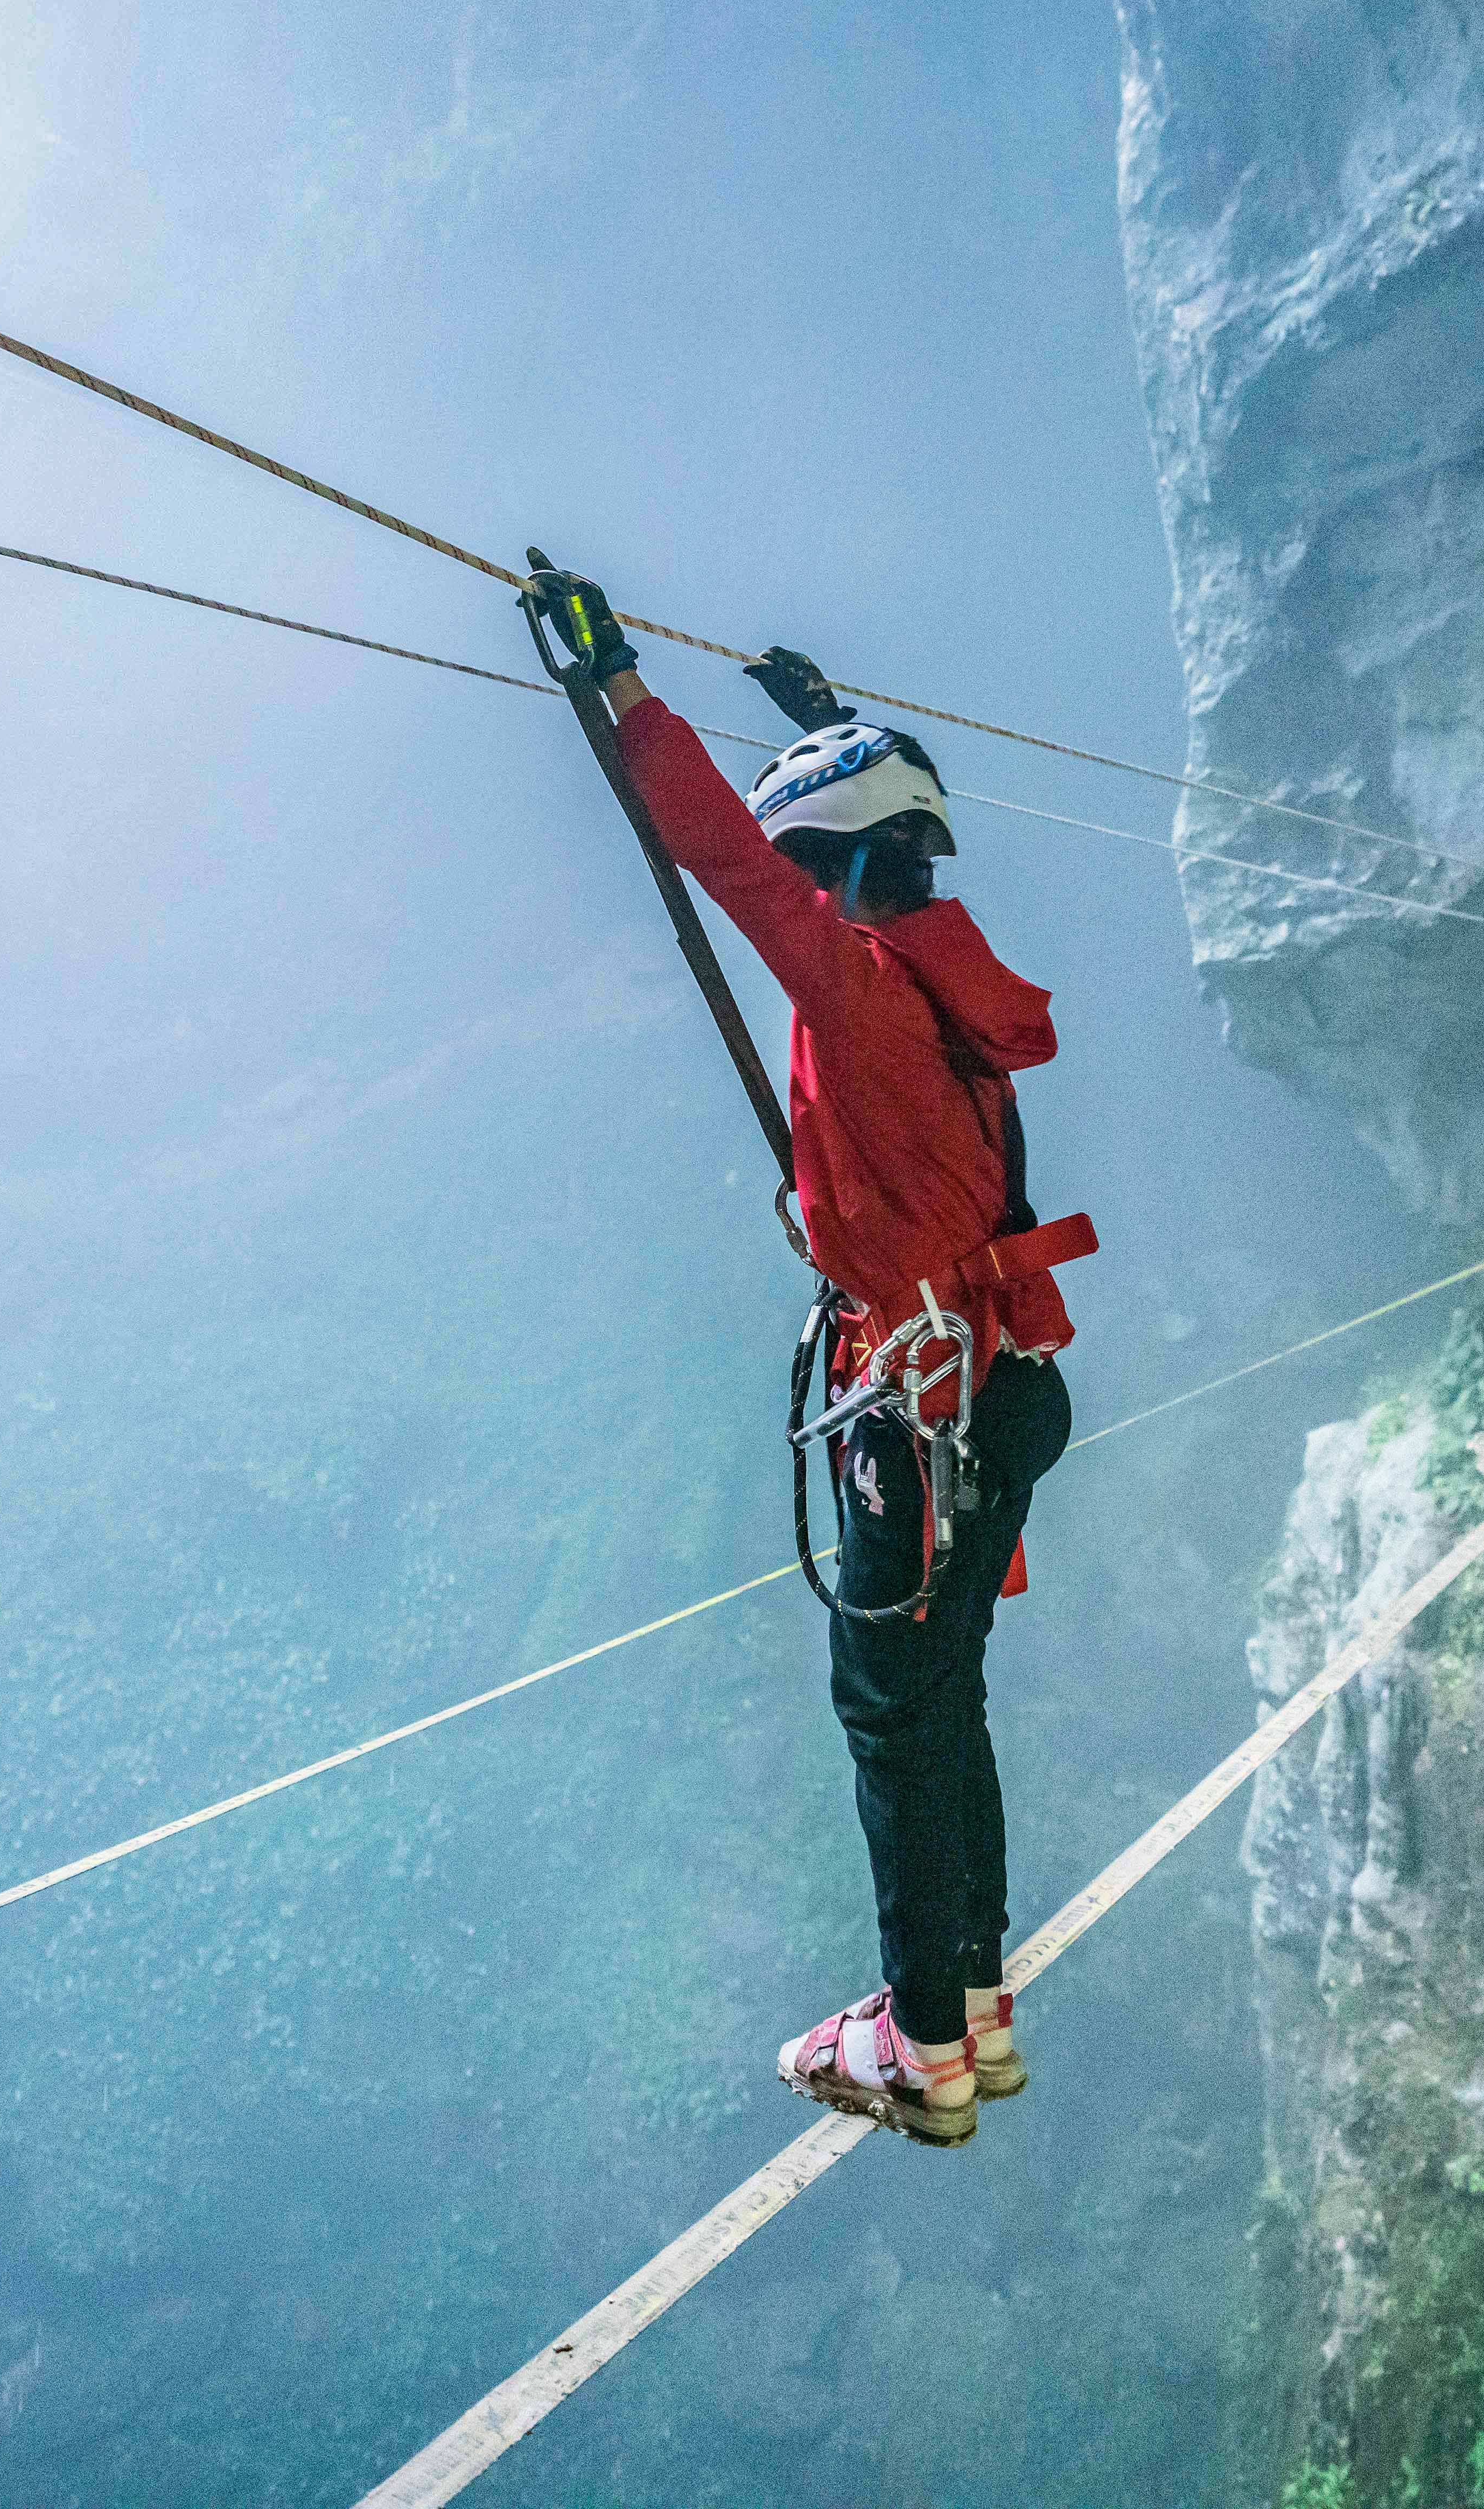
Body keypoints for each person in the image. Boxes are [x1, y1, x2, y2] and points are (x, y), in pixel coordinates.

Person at [523, 564, 1089, 2149]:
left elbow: (724, 859)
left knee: (893, 1714)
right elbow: (863, 844)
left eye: (808, 868)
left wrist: (623, 692)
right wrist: (830, 722)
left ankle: (922, 2042)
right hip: (1004, 1385)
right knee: (944, 1699)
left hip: (924, 1410)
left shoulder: (854, 988)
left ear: (831, 869)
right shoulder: (952, 980)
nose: (797, 894)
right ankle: (968, 2011)